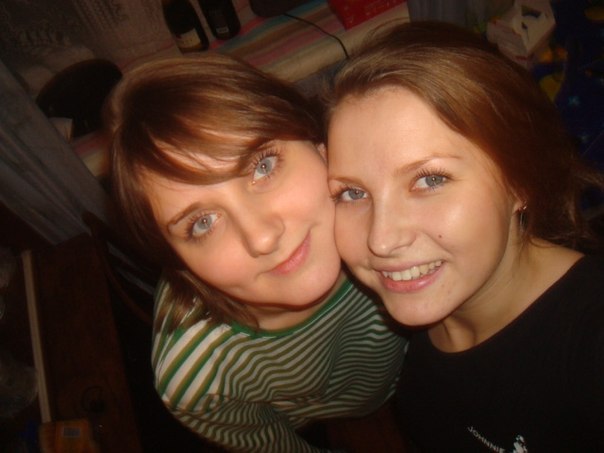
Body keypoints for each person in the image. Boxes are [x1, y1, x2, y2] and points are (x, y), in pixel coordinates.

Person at [103, 53, 407, 452]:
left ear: (318, 144)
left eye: (263, 166)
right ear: (177, 262)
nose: (261, 238)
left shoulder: (397, 215)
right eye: (202, 223)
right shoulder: (199, 379)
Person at [325, 21, 604, 452]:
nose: (381, 240)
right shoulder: (435, 309)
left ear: (520, 180)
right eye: (353, 192)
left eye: (430, 180)